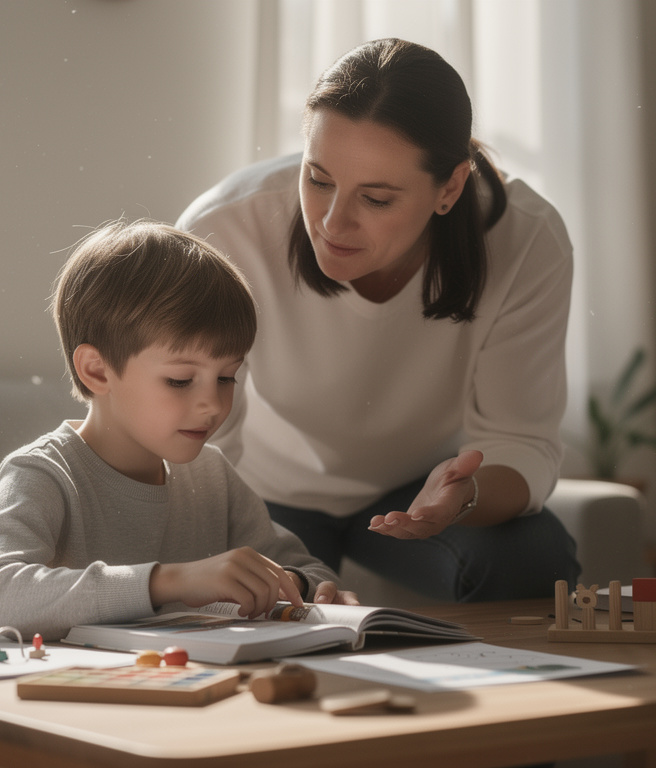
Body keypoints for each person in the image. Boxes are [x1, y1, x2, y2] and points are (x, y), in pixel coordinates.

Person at [176, 38, 581, 602]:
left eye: (377, 199)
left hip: (414, 489)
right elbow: (194, 437)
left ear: (451, 187)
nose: (333, 224)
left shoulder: (526, 239)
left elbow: (522, 441)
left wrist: (460, 497)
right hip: (260, 492)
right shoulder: (226, 228)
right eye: (318, 179)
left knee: (536, 559)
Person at [0, 220, 356, 640]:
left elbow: (309, 570)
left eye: (226, 377)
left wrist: (297, 585)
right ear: (97, 370)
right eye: (180, 381)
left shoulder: (212, 476)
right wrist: (170, 582)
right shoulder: (42, 475)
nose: (214, 404)